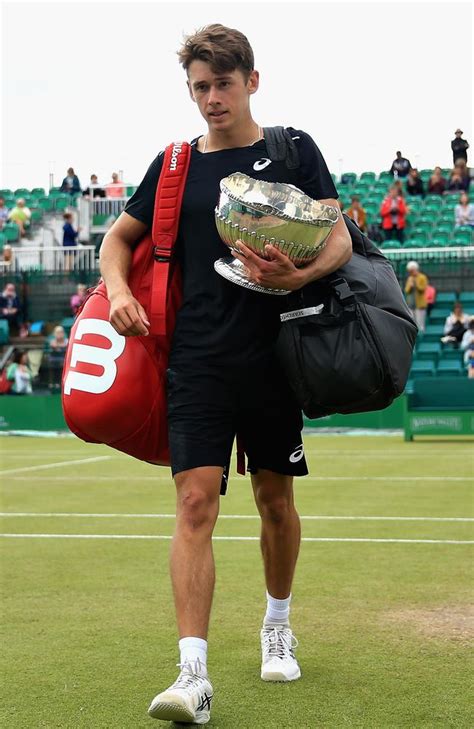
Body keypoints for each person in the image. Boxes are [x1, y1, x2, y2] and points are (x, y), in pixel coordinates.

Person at [99, 23, 352, 725]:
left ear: (252, 81)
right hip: (199, 360)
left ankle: (277, 623)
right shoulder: (175, 164)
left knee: (275, 501)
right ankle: (193, 674)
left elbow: (339, 234)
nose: (211, 98)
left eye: (223, 84)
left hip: (277, 357)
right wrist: (119, 292)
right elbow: (118, 240)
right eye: (200, 87)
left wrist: (302, 268)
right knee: (193, 504)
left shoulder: (292, 150)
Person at [404, 261, 428, 331]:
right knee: (412, 324)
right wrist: (410, 286)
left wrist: (415, 282)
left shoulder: (422, 277)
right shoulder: (410, 278)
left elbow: (422, 289)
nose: (410, 272)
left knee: (420, 325)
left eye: (411, 271)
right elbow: (406, 290)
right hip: (411, 304)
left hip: (420, 305)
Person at [47, 325, 69, 389]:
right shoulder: (53, 341)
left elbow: (64, 345)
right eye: (57, 332)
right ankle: (52, 383)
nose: (59, 334)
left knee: (62, 364)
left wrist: (58, 346)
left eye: (61, 332)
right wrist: (59, 346)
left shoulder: (67, 340)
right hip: (54, 360)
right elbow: (53, 345)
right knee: (52, 364)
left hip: (64, 360)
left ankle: (61, 383)